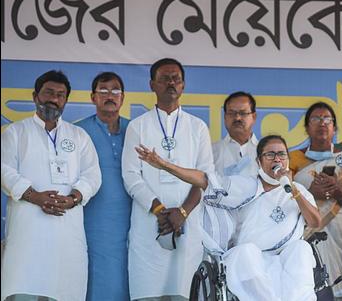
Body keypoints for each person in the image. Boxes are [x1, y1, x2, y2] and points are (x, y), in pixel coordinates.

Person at [135, 135, 321, 301]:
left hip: (284, 260)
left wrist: (293, 190)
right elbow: (205, 180)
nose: (277, 159)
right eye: (270, 155)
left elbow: (315, 222)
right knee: (246, 252)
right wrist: (164, 165)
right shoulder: (246, 186)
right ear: (258, 161)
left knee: (302, 248)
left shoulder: (298, 191)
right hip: (250, 261)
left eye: (281, 154)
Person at [1, 70, 101, 301]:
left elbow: (93, 175)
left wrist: (74, 198)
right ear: (35, 96)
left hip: (67, 233)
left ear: (65, 100)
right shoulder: (16, 132)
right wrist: (35, 196)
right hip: (28, 234)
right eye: (48, 93)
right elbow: (4, 171)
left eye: (60, 95)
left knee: (65, 289)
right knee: (24, 289)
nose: (54, 99)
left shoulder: (79, 136)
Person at [121, 58, 214, 300]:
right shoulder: (137, 126)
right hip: (148, 223)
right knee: (148, 291)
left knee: (184, 290)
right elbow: (131, 176)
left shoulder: (198, 127)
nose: (171, 83)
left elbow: (205, 179)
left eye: (176, 79)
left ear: (183, 86)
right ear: (152, 84)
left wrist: (182, 213)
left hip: (188, 224)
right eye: (164, 79)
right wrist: (160, 210)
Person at [75, 72, 132, 300]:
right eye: (104, 90)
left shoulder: (136, 130)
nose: (110, 95)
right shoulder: (77, 132)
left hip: (133, 218)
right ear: (92, 97)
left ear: (123, 97)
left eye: (115, 90)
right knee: (95, 277)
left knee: (130, 276)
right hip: (92, 220)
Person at [289, 101, 342, 290]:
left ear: (335, 127)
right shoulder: (291, 159)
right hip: (306, 232)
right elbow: (281, 200)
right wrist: (310, 193)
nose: (322, 123)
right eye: (316, 118)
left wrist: (337, 192)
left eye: (327, 119)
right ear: (307, 127)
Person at [212, 91, 259, 177]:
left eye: (243, 113)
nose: (237, 118)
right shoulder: (211, 152)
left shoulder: (266, 152)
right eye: (232, 113)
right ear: (225, 117)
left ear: (254, 117)